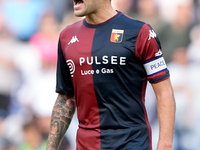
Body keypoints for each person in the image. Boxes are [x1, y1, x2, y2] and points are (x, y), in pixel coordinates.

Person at [46, 0, 176, 150]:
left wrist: (165, 145)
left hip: (132, 143)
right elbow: (66, 97)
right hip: (87, 145)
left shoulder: (140, 32)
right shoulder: (66, 37)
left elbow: (164, 92)